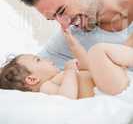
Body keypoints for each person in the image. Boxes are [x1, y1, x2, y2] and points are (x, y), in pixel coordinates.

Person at [0, 29, 133, 99]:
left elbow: (88, 65)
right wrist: (70, 72)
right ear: (32, 79)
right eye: (38, 60)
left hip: (114, 80)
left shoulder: (59, 78)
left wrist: (73, 44)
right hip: (109, 90)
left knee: (122, 45)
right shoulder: (46, 87)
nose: (44, 59)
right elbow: (65, 99)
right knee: (98, 50)